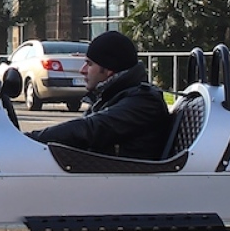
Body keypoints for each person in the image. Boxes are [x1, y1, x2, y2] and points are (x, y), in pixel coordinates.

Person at [26, 31, 172, 161]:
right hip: (108, 178)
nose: (83, 71)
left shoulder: (144, 101)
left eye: (89, 64)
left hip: (124, 182)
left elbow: (89, 130)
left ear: (108, 69)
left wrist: (29, 140)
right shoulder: (115, 95)